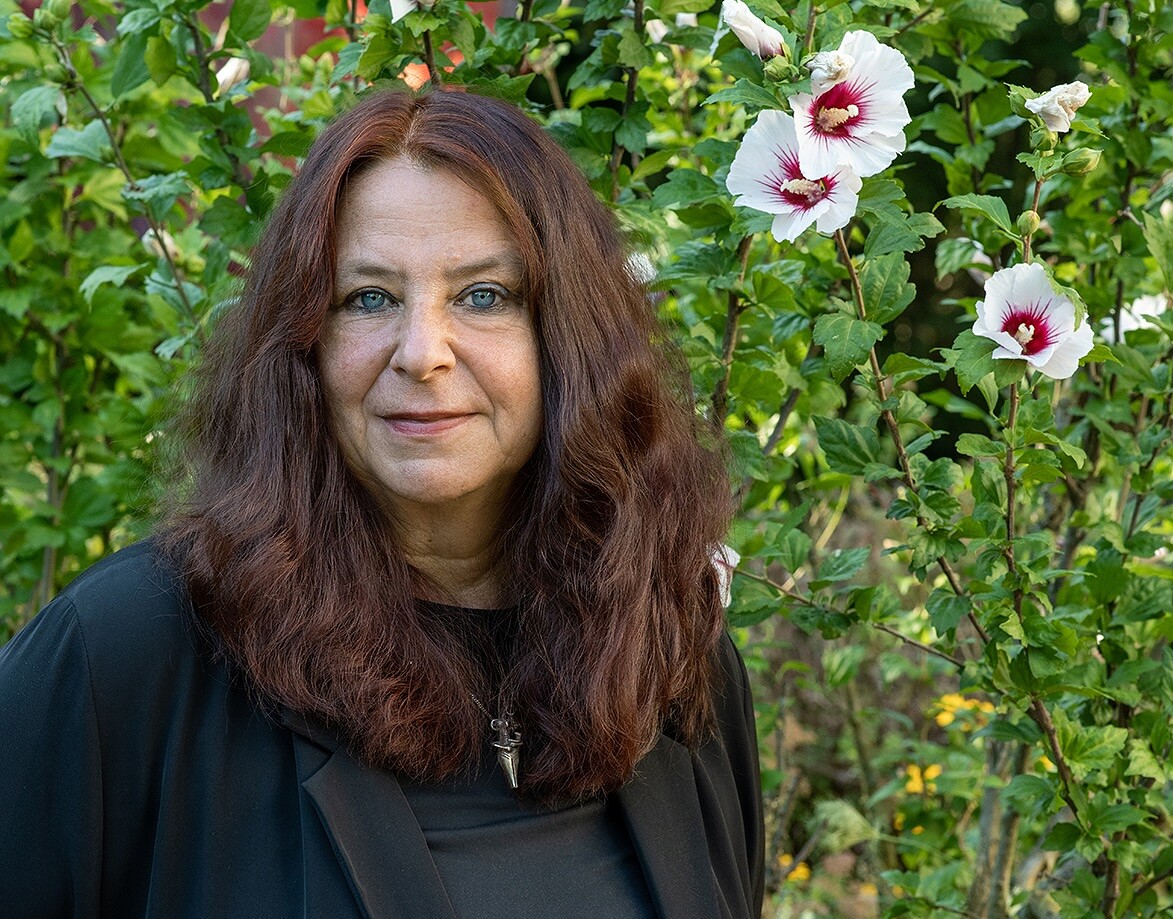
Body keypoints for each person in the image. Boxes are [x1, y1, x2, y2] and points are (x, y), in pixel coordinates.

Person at [0, 88, 763, 919]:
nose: (421, 353)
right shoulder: (123, 654)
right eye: (368, 297)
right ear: (302, 343)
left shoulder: (663, 649)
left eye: (482, 295)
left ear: (570, 341)